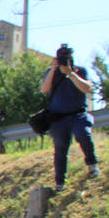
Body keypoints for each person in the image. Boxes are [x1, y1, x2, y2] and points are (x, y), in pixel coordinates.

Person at [40, 43, 99, 190]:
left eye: (67, 56)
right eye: (62, 56)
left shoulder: (80, 71)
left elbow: (87, 88)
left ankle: (92, 165)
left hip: (78, 114)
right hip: (58, 118)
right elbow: (44, 89)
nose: (64, 59)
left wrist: (70, 74)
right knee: (60, 148)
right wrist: (54, 69)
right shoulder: (51, 72)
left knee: (84, 135)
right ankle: (60, 182)